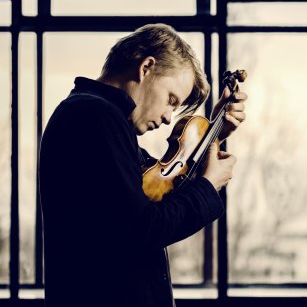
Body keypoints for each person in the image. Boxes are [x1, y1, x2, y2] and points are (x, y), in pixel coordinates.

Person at [39, 23, 247, 307]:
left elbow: (160, 192)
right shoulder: (95, 117)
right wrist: (209, 186)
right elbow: (143, 227)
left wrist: (212, 135)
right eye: (171, 100)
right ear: (146, 67)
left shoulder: (97, 116)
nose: (167, 118)